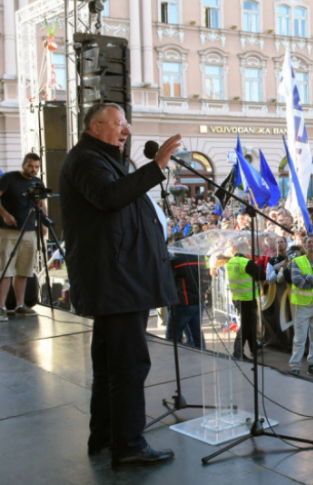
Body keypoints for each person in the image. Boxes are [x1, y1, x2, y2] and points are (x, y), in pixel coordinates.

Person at [60, 103, 181, 467]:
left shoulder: (101, 158)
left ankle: (105, 434)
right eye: (118, 125)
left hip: (118, 280)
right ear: (95, 127)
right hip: (117, 281)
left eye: (125, 125)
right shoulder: (85, 159)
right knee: (128, 364)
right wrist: (156, 167)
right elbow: (110, 197)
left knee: (111, 363)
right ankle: (128, 445)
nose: (125, 132)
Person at [0, 152, 47, 318]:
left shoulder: (37, 182)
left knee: (24, 269)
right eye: (30, 166)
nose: (34, 170)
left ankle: (20, 305)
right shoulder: (8, 178)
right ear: (23, 165)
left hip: (29, 231)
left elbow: (42, 203)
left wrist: (43, 224)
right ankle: (1, 308)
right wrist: (5, 215)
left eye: (36, 167)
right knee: (6, 269)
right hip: (8, 232)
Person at [288, 234, 313, 378]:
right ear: (305, 245)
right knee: (300, 338)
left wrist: (308, 277)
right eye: (309, 242)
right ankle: (295, 366)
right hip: (302, 305)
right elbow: (296, 280)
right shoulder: (297, 261)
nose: (311, 244)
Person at [226, 241, 266, 361]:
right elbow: (261, 275)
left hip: (237, 297)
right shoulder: (246, 262)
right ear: (246, 250)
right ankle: (238, 352)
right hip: (247, 299)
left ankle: (254, 347)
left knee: (250, 324)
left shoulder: (231, 261)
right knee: (246, 326)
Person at [168, 233, 205, 348]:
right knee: (196, 334)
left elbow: (169, 281)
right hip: (198, 301)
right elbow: (206, 279)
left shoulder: (175, 261)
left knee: (172, 336)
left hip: (183, 302)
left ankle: (174, 361)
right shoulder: (198, 258)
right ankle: (201, 355)